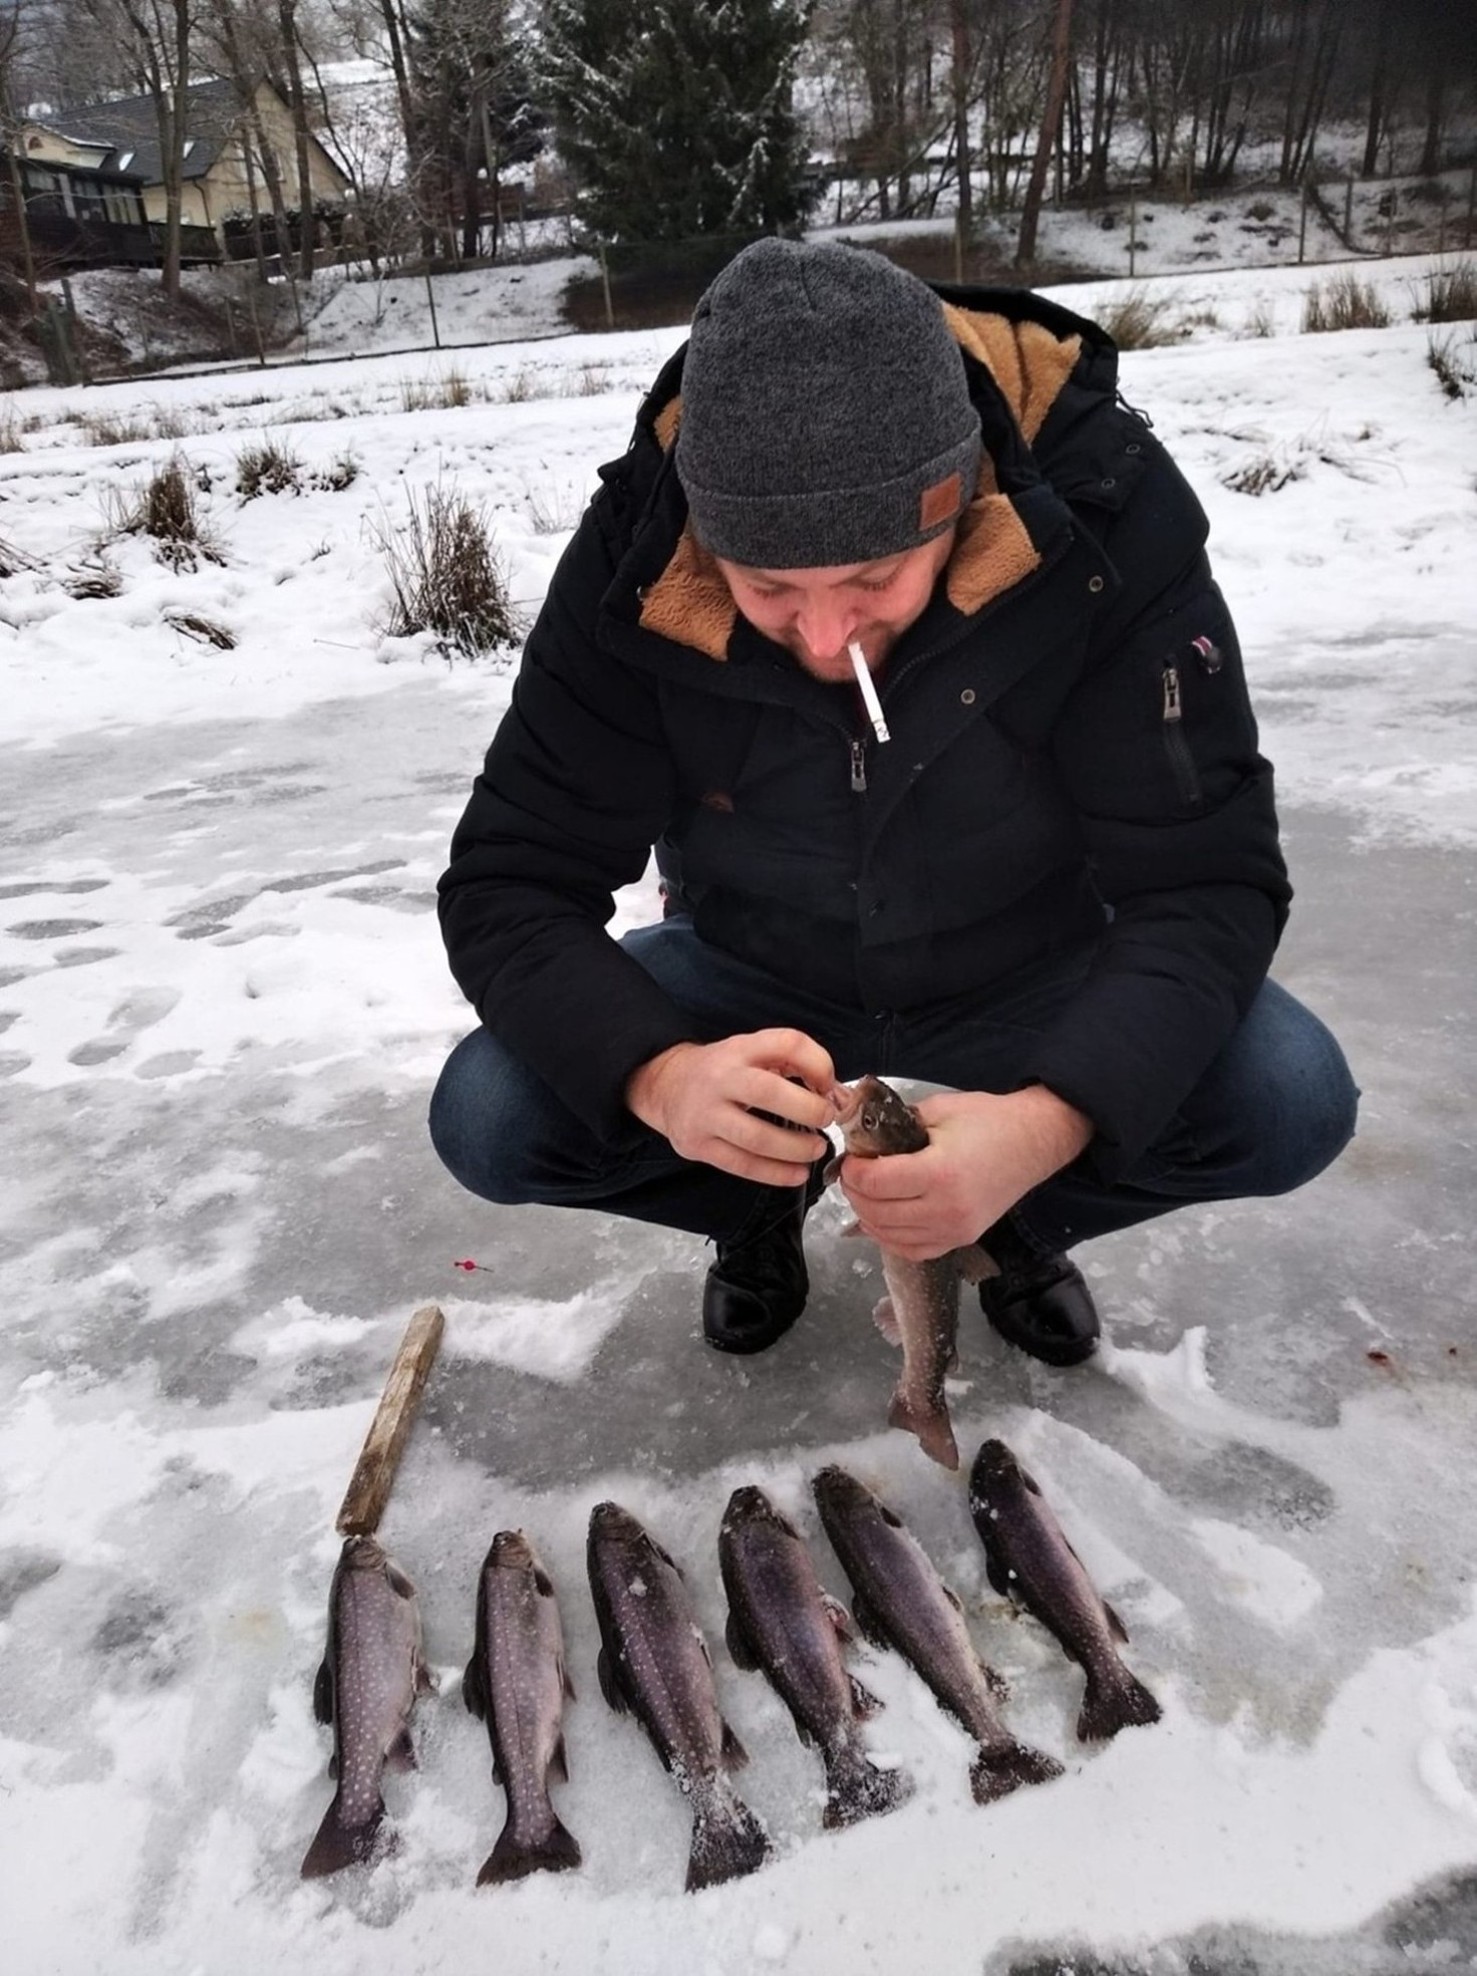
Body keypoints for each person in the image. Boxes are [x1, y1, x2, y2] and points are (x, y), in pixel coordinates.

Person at [429, 238, 1357, 1367]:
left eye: (873, 579)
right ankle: (754, 1200)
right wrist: (662, 1076)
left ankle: (1000, 1226)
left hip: (1030, 958)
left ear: (958, 504)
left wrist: (1048, 1123)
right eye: (769, 587)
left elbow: (1204, 880)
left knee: (1286, 1094)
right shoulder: (642, 551)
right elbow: (512, 878)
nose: (826, 638)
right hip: (751, 964)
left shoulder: (1106, 519)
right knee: (493, 1111)